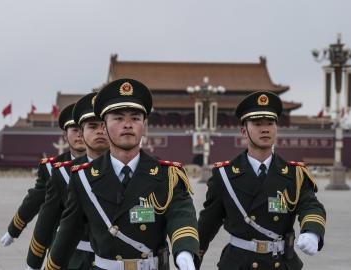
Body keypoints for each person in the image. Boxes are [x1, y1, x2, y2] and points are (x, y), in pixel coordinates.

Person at [44, 78, 199, 270]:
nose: (128, 124)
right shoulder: (83, 177)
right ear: (104, 126)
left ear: (144, 125)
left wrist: (184, 253)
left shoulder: (167, 174)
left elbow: (181, 215)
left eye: (135, 118)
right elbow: (67, 235)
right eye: (118, 118)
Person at [198, 91, 326, 270]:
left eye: (270, 123)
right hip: (239, 264)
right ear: (244, 131)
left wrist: (312, 230)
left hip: (280, 263)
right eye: (257, 124)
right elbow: (207, 223)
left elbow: (311, 205)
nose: (265, 129)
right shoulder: (225, 175)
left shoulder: (294, 174)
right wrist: (191, 257)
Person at [26, 93, 110, 270]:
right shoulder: (65, 173)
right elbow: (47, 221)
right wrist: (34, 263)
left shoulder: (137, 170)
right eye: (92, 126)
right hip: (75, 257)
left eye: (104, 126)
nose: (100, 131)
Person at [1, 104, 86, 247]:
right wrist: (13, 230)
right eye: (75, 130)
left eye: (85, 129)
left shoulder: (110, 164)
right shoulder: (51, 168)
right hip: (65, 248)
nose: (80, 134)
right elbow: (34, 200)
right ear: (65, 135)